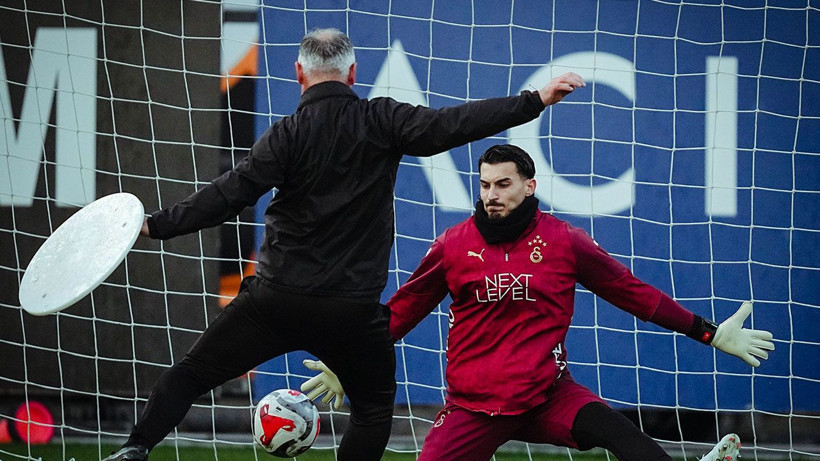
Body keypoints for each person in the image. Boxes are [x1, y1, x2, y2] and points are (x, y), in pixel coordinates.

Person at [102, 28, 586, 461]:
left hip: (275, 301)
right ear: (353, 72)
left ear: (299, 74)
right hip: (351, 312)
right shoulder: (381, 119)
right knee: (374, 413)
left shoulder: (286, 135)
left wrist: (156, 226)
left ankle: (135, 448)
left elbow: (229, 194)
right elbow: (453, 123)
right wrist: (534, 100)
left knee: (189, 374)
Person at [301, 144, 775, 461]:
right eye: (484, 185)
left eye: (502, 184)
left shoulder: (565, 242)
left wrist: (708, 331)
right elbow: (401, 309)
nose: (491, 195)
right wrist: (350, 361)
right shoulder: (452, 245)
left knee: (627, 439)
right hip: (473, 407)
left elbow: (632, 293)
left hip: (548, 395)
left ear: (529, 185)